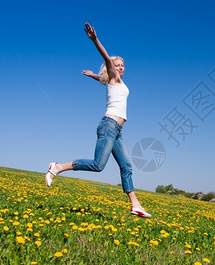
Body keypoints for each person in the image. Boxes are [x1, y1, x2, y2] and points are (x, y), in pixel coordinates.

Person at [45, 22, 151, 218]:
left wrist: (92, 75)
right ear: (112, 68)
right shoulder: (114, 78)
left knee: (126, 166)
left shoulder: (114, 82)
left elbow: (101, 78)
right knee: (98, 165)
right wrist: (95, 40)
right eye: (116, 65)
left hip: (117, 131)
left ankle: (135, 205)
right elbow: (106, 60)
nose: (119, 68)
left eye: (122, 66)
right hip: (108, 126)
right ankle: (57, 167)